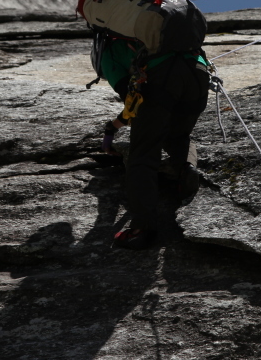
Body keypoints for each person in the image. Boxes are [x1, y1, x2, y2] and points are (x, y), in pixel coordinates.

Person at [90, 30, 211, 250]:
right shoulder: (164, 33)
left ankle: (141, 229)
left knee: (143, 153)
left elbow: (134, 104)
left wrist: (110, 131)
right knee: (178, 134)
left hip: (163, 78)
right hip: (198, 72)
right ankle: (186, 168)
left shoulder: (110, 52)